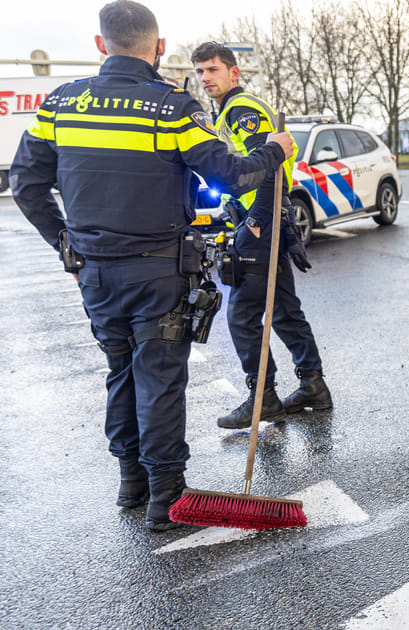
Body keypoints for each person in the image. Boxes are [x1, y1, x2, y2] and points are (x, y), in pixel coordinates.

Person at [11, 2, 295, 530]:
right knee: (160, 377)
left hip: (95, 273)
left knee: (120, 371)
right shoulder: (170, 108)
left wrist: (66, 245)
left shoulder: (59, 106)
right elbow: (231, 174)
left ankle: (130, 484)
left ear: (101, 45)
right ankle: (166, 497)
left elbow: (26, 184)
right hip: (158, 271)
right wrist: (274, 151)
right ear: (158, 47)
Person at [191, 42, 332, 430]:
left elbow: (270, 165)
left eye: (213, 70)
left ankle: (263, 397)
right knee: (284, 308)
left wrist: (256, 221)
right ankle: (313, 386)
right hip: (266, 219)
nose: (205, 78)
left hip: (261, 222)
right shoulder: (230, 111)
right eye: (200, 71)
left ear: (233, 73)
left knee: (241, 315)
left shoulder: (242, 110)